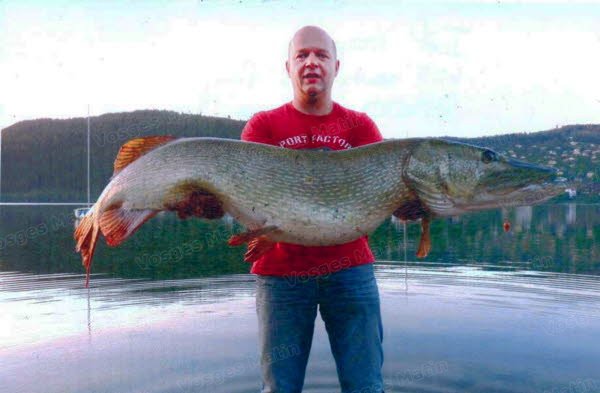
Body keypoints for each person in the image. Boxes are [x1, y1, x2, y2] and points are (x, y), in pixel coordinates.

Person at [241, 25, 385, 393]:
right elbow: (248, 202)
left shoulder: (360, 126)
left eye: (321, 55)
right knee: (280, 389)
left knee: (365, 386)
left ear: (336, 66)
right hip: (280, 275)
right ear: (287, 67)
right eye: (301, 55)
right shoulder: (264, 125)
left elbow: (382, 195)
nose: (311, 62)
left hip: (350, 272)